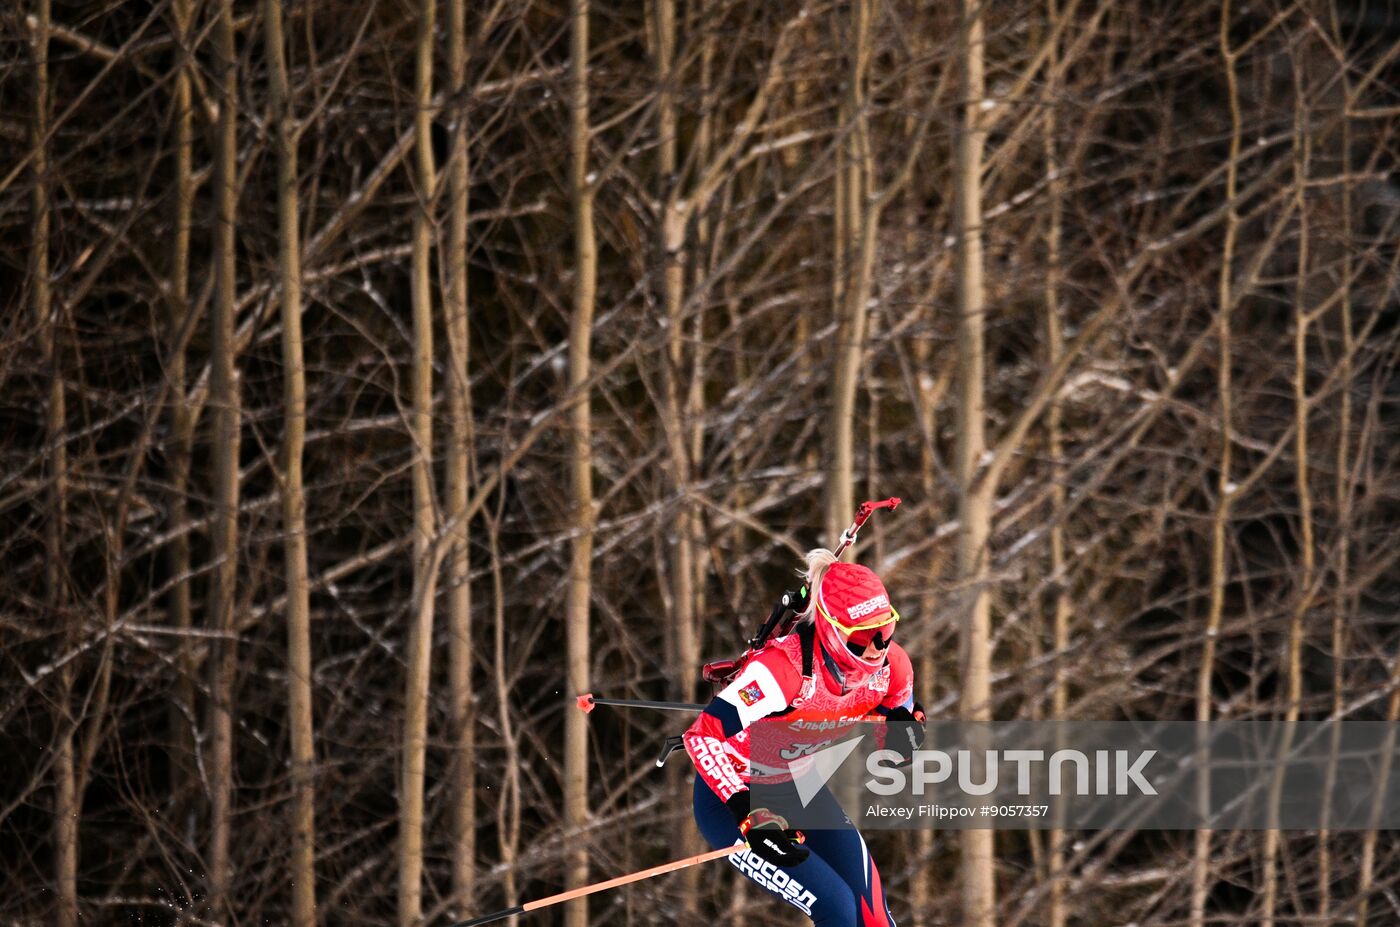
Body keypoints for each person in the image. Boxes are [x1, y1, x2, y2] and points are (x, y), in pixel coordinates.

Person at [684, 549, 925, 926]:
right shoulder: (782, 673)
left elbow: (898, 735)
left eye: (886, 630)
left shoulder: (892, 669)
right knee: (837, 908)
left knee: (873, 915)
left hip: (798, 787)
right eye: (865, 636)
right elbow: (702, 736)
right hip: (732, 801)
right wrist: (746, 812)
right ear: (830, 629)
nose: (879, 647)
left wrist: (903, 737)